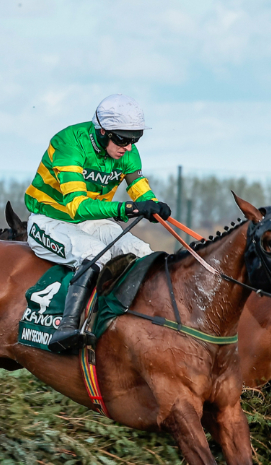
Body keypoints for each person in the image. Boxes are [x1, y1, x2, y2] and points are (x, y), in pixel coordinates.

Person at [24, 94, 171, 354]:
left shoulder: (127, 152)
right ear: (102, 132)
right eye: (123, 139)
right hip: (50, 221)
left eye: (135, 140)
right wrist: (129, 208)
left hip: (92, 222)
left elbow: (138, 188)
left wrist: (152, 204)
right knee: (94, 255)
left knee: (144, 254)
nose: (128, 147)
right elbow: (77, 206)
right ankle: (66, 327)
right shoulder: (68, 143)